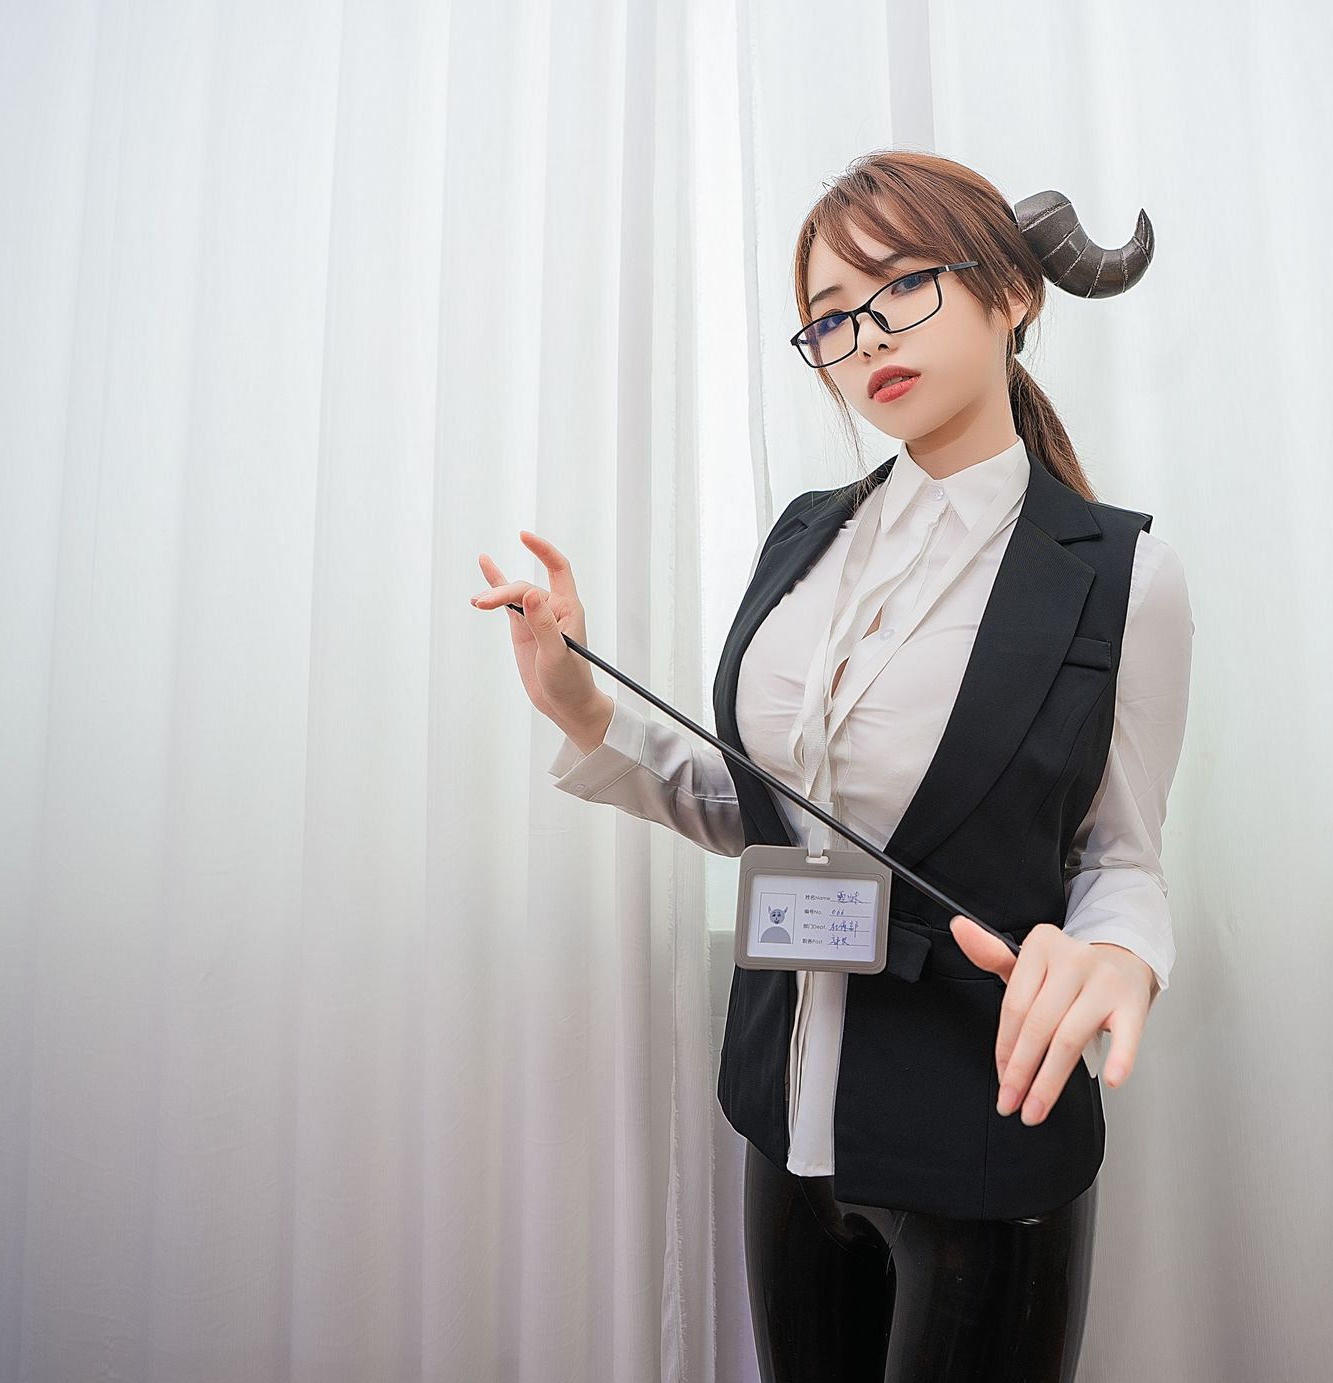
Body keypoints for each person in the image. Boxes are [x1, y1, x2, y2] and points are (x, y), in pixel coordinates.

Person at [470, 149, 1192, 1383]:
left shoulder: (1121, 575)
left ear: (1012, 293)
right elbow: (764, 815)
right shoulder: (804, 533)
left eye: (901, 286)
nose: (866, 338)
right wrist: (579, 703)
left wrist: (1119, 953)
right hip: (779, 1110)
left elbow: (1118, 856)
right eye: (828, 318)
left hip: (983, 1118)